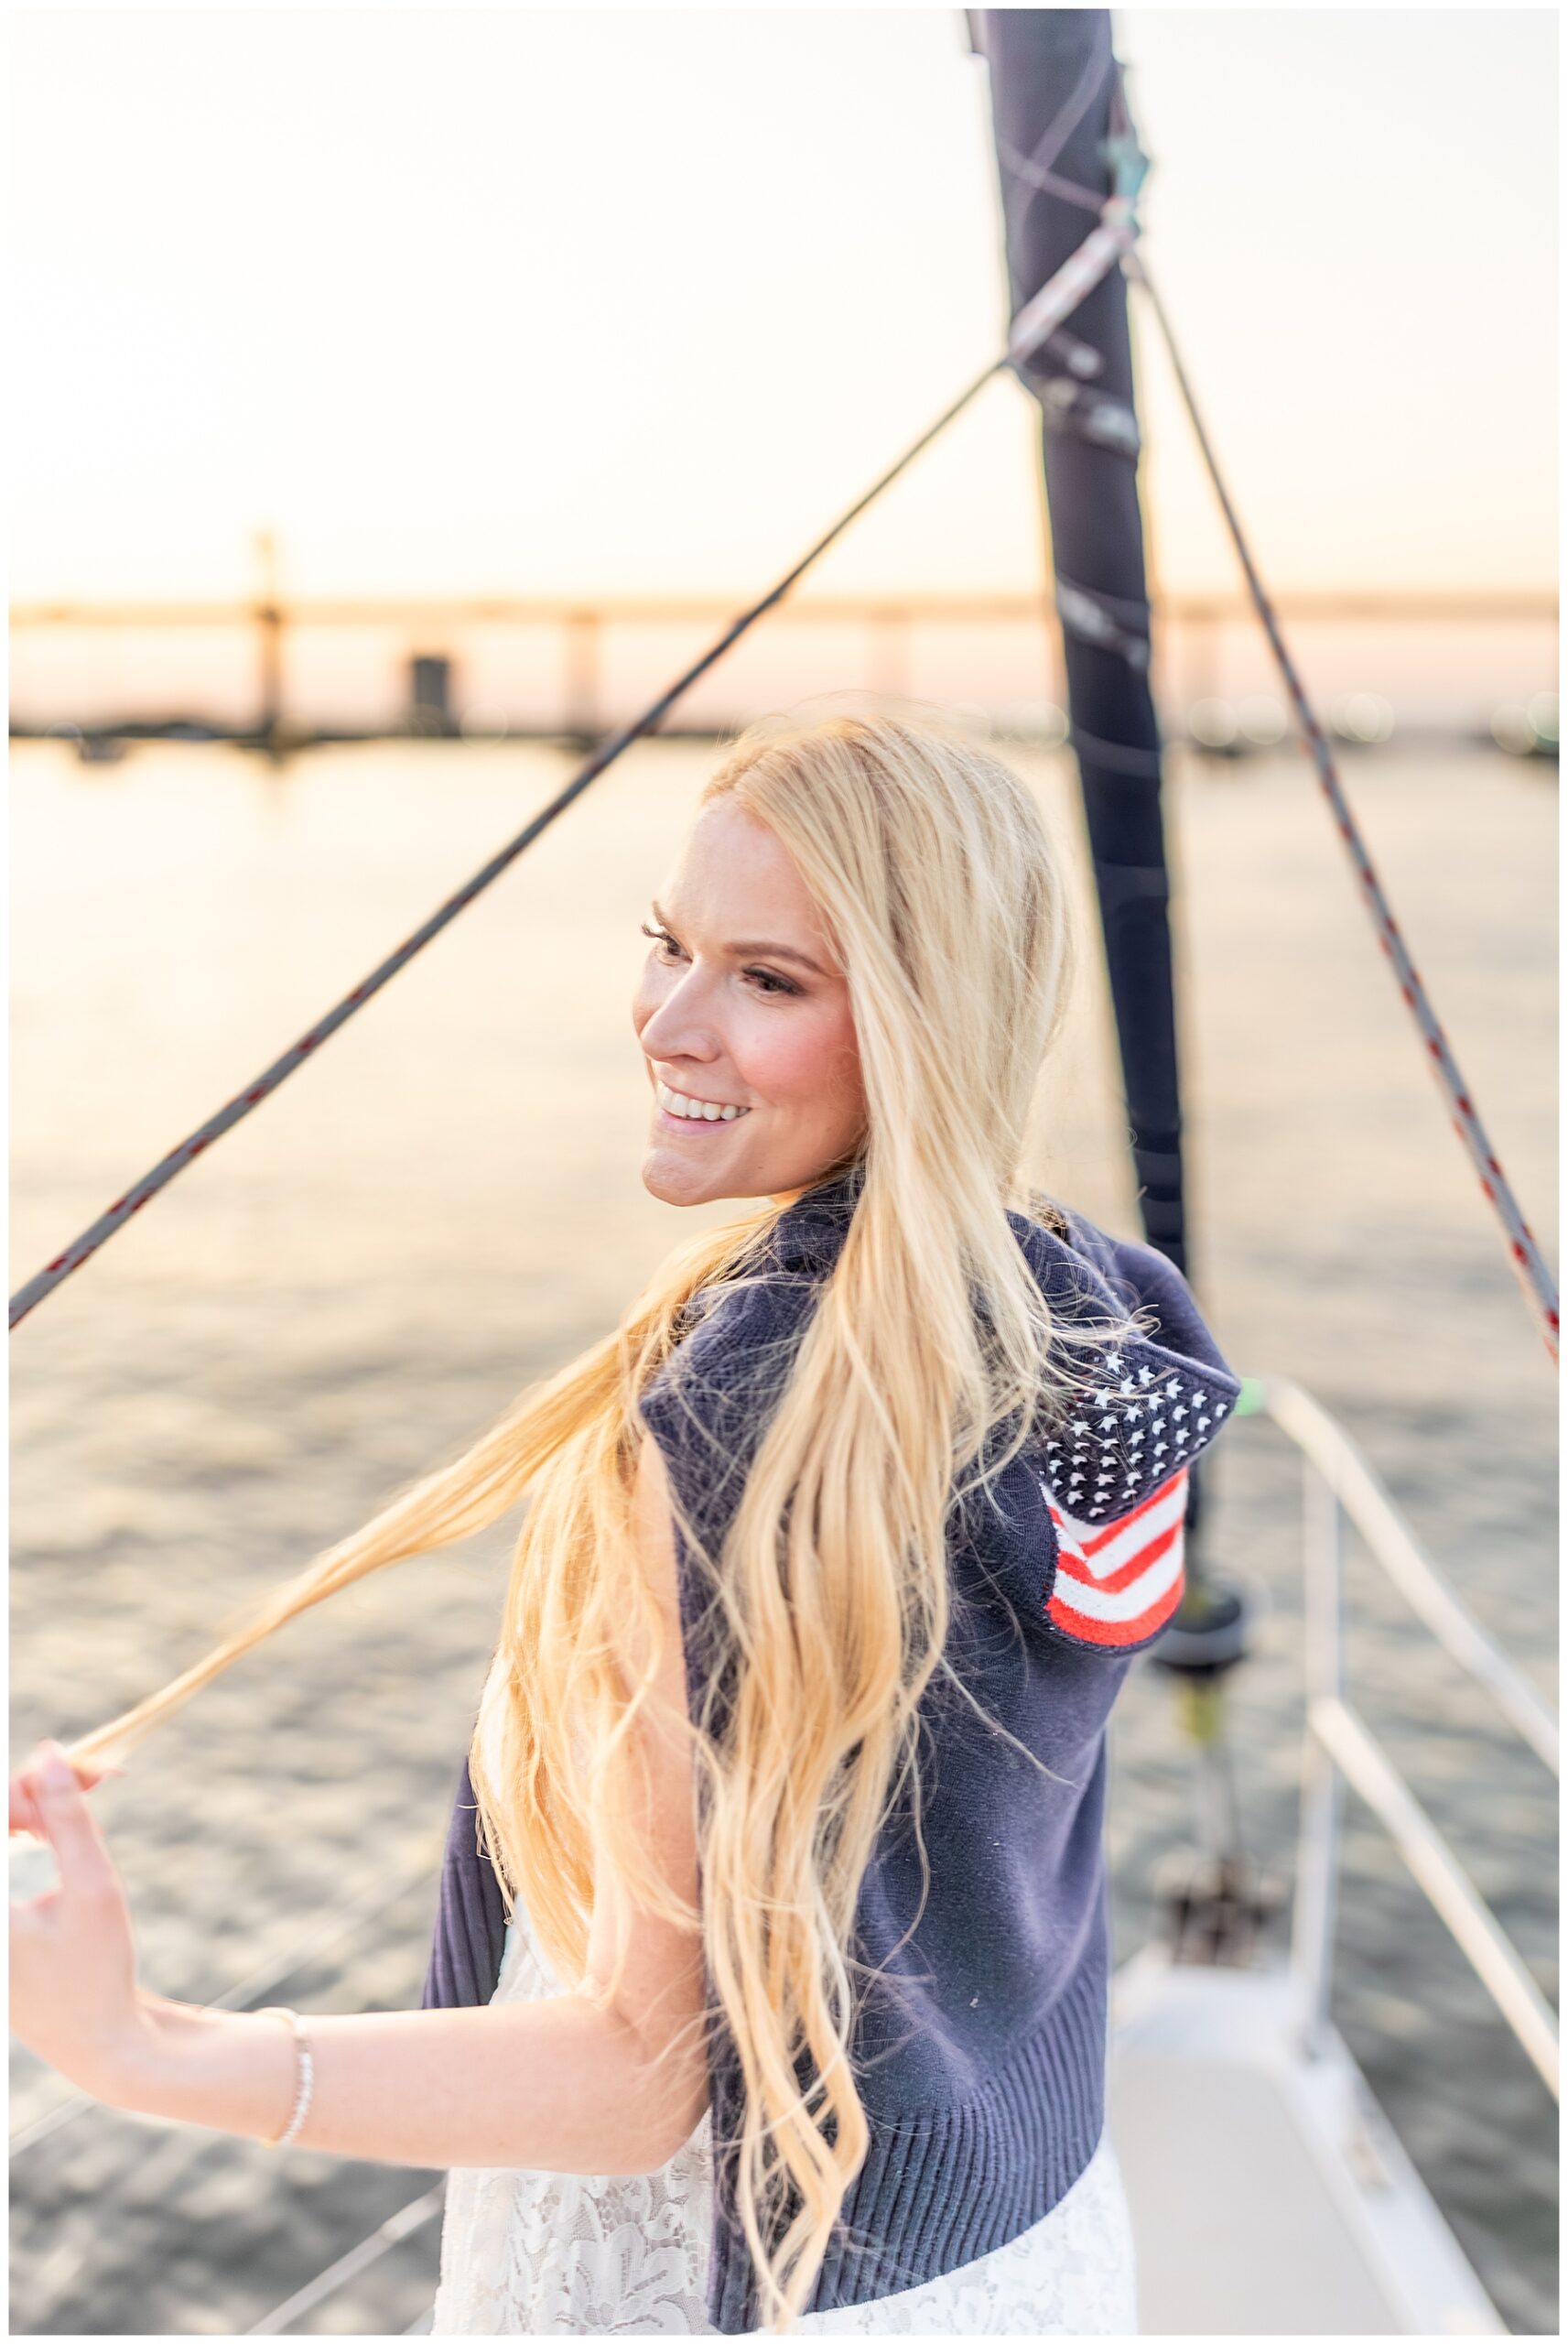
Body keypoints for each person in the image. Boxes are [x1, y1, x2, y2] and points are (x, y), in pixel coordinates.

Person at [10, 711, 1241, 2338]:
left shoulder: (743, 1415)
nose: (668, 1021)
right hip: (1019, 2243)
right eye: (667, 944)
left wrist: (144, 2047)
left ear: (926, 1026)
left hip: (747, 2277)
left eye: (770, 981)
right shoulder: (1096, 1318)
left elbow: (636, 2079)